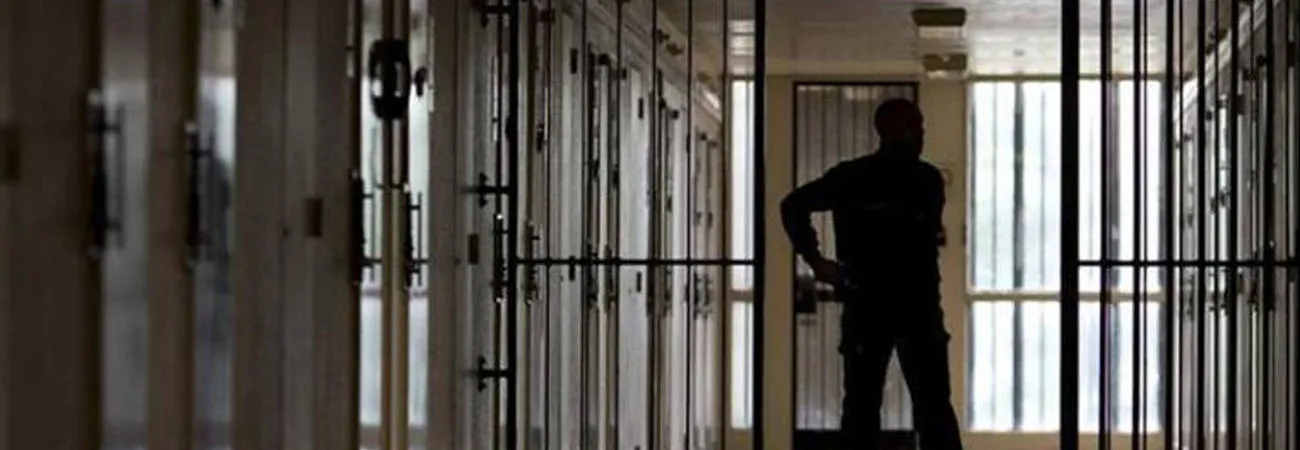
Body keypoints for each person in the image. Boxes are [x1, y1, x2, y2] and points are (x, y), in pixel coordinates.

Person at [780, 98, 963, 450]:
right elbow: (926, 234)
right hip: (916, 305)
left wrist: (817, 261)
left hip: (868, 302)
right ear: (897, 130)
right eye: (916, 127)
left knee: (862, 408)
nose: (922, 134)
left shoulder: (851, 177)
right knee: (933, 408)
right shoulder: (925, 180)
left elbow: (793, 205)